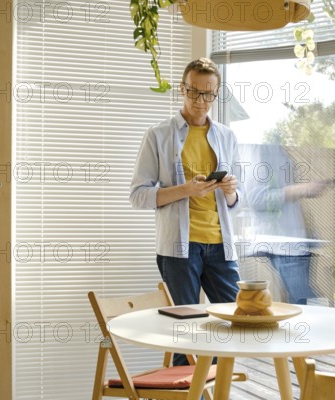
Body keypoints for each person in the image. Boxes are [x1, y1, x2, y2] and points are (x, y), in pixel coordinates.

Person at [129, 58, 242, 364]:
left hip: (221, 245)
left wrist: (231, 192)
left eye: (209, 95)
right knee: (186, 336)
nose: (201, 102)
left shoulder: (227, 137)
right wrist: (186, 190)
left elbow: (235, 201)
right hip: (179, 250)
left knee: (233, 325)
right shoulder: (158, 135)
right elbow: (138, 196)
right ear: (182, 88)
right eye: (194, 92)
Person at [242, 143, 329, 304]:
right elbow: (257, 199)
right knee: (306, 301)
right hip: (282, 243)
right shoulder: (262, 149)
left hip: (293, 241)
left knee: (300, 301)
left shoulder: (278, 147)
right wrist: (302, 189)